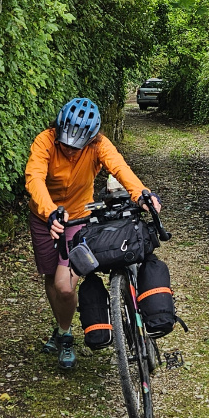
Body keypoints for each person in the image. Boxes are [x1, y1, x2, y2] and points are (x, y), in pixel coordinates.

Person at [25, 97, 160, 369]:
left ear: (90, 139)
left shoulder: (99, 145)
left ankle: (64, 334)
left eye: (77, 147)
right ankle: (64, 331)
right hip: (44, 217)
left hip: (77, 217)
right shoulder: (45, 141)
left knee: (65, 285)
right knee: (51, 277)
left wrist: (141, 194)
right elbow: (34, 177)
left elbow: (120, 168)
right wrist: (50, 210)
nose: (70, 151)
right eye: (65, 144)